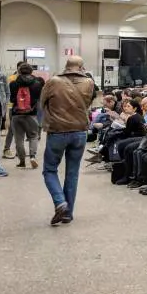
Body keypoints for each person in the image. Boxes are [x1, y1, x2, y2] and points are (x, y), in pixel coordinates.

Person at [40, 56, 95, 224]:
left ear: (67, 66)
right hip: (79, 132)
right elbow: (88, 104)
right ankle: (67, 213)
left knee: (49, 170)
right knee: (72, 173)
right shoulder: (89, 83)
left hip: (57, 131)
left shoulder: (53, 81)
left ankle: (60, 202)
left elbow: (42, 102)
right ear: (81, 67)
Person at [8, 63, 43, 169]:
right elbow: (38, 99)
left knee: (19, 138)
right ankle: (32, 156)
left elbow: (12, 99)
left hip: (16, 114)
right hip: (31, 114)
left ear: (19, 71)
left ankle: (22, 161)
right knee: (33, 136)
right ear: (31, 71)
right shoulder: (37, 84)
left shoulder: (13, 84)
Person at [2, 61, 26, 160]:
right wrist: (7, 108)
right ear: (18, 68)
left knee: (22, 130)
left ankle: (19, 150)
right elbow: (8, 93)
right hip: (13, 107)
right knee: (12, 129)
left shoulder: (28, 79)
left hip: (24, 108)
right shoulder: (11, 79)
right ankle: (6, 149)